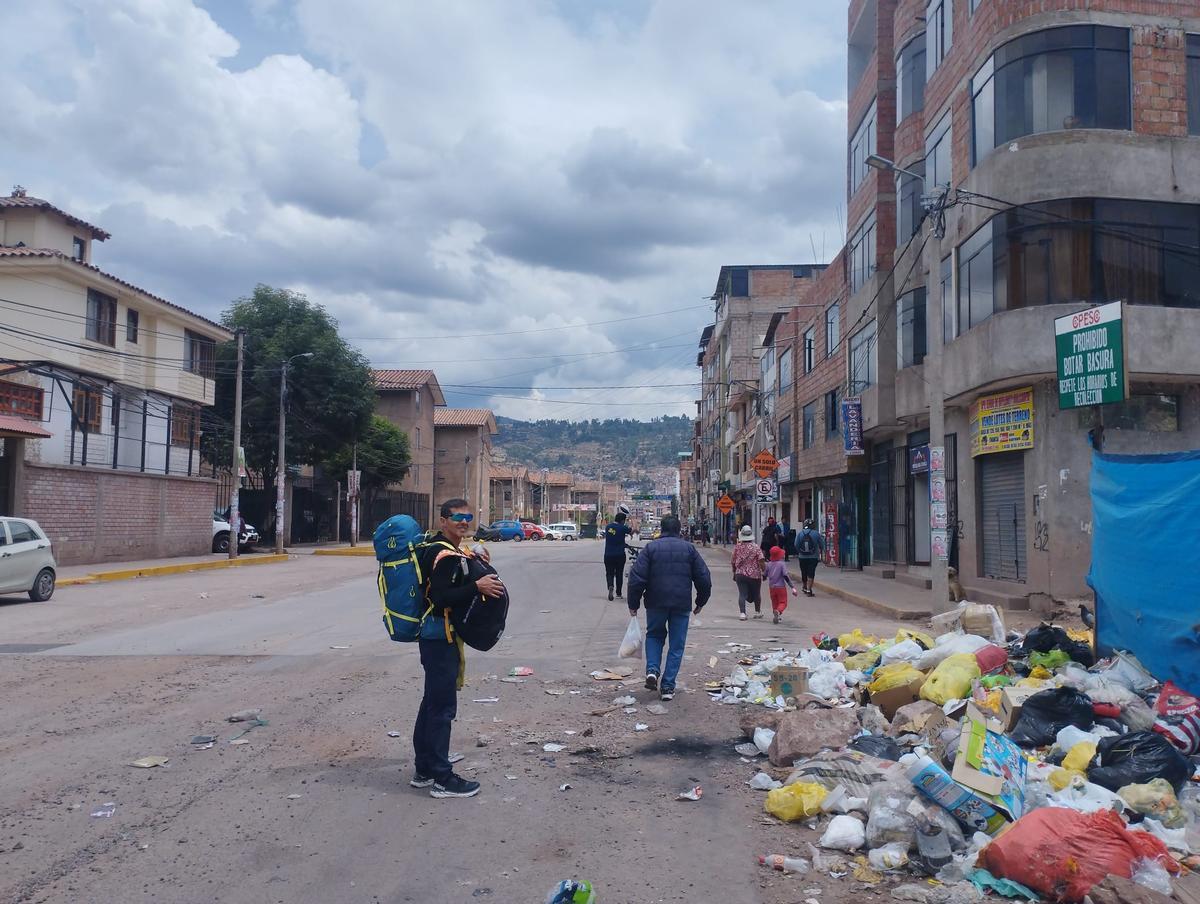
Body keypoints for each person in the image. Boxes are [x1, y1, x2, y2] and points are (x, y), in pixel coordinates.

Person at [410, 498, 505, 799]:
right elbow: (440, 597)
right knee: (442, 708)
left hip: (437, 637)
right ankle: (442, 778)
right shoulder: (442, 554)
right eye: (456, 517)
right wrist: (477, 587)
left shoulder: (443, 549)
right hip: (440, 638)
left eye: (468, 517)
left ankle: (424, 769)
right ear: (442, 521)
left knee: (431, 703)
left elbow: (450, 580)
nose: (463, 522)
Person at [627, 515, 711, 701]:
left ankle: (652, 671)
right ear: (679, 530)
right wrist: (700, 602)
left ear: (661, 529)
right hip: (681, 604)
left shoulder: (650, 548)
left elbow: (636, 578)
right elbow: (704, 578)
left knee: (655, 635)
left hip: (655, 602)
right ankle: (667, 686)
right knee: (676, 645)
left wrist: (633, 604)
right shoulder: (689, 549)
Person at [731, 524, 766, 620]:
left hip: (740, 574)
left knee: (742, 594)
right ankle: (757, 612)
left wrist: (734, 572)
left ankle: (742, 613)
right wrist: (764, 572)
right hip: (754, 575)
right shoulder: (756, 547)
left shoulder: (737, 547)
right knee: (756, 594)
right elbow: (761, 560)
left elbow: (733, 561)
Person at [602, 510, 635, 600]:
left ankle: (610, 586)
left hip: (608, 555)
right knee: (619, 574)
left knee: (609, 573)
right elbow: (632, 531)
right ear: (622, 521)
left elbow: (615, 537)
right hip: (620, 555)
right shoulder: (622, 528)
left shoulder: (608, 527)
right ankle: (619, 593)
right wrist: (633, 520)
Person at [764, 546, 798, 624]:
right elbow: (785, 576)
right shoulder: (781, 564)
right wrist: (792, 587)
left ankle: (776, 615)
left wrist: (764, 578)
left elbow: (765, 575)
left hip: (771, 587)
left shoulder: (769, 564)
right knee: (783, 602)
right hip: (780, 587)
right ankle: (778, 612)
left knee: (774, 602)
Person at [794, 518, 826, 597]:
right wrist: (822, 552)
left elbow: (796, 545)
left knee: (804, 572)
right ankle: (809, 589)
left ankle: (804, 586)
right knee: (811, 572)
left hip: (802, 557)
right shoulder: (816, 534)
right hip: (813, 557)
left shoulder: (800, 533)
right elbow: (822, 545)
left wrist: (800, 552)